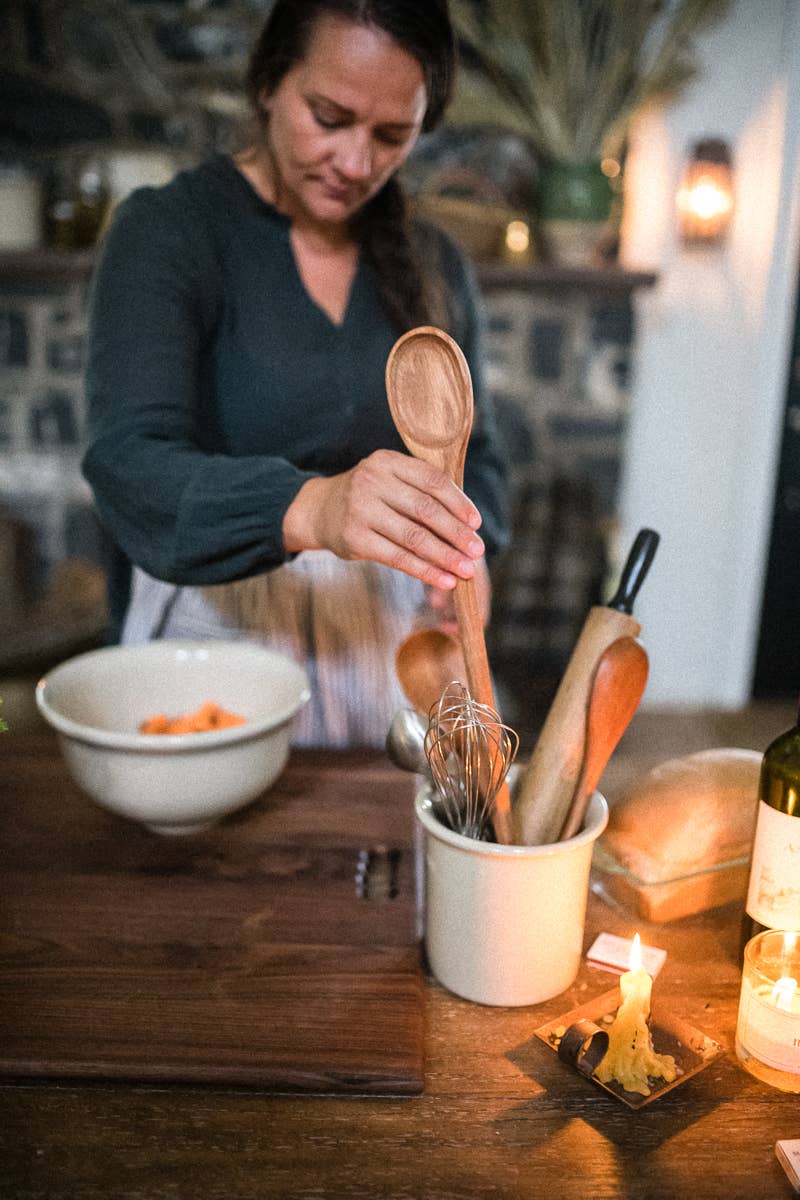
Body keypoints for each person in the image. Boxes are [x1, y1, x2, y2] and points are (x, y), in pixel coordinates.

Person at [83, 0, 510, 747]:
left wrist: (472, 562)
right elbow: (129, 465)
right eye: (329, 116)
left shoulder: (436, 263)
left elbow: (483, 463)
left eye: (391, 136)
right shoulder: (168, 232)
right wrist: (317, 508)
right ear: (268, 82)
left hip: (392, 650)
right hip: (216, 635)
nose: (355, 163)